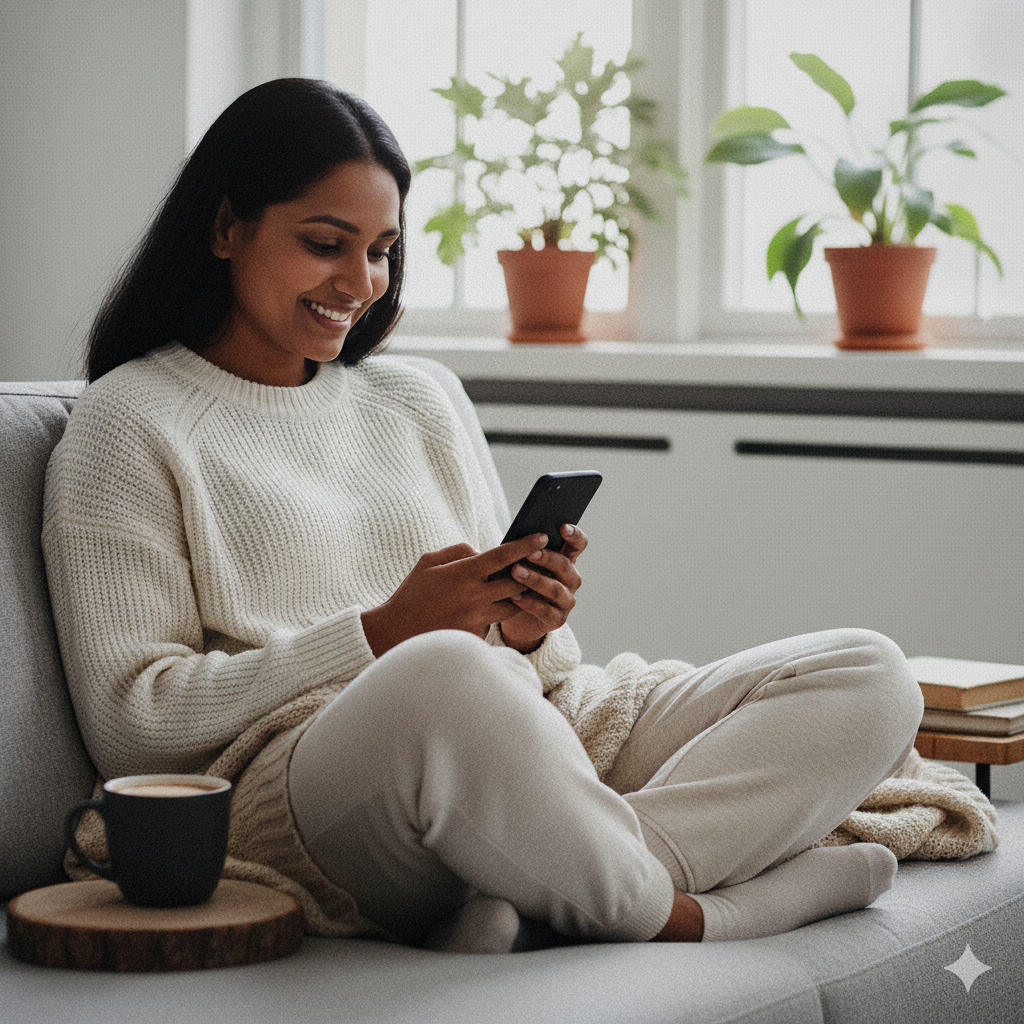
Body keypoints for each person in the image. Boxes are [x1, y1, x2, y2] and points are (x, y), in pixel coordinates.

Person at [44, 78, 923, 951]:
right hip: (310, 787)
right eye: (326, 243)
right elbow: (134, 724)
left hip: (516, 724)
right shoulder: (130, 421)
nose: (360, 282)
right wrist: (383, 634)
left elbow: (533, 675)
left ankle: (558, 880)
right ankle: (699, 912)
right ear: (226, 226)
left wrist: (531, 626)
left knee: (868, 674)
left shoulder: (418, 400)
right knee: (446, 676)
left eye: (383, 250)